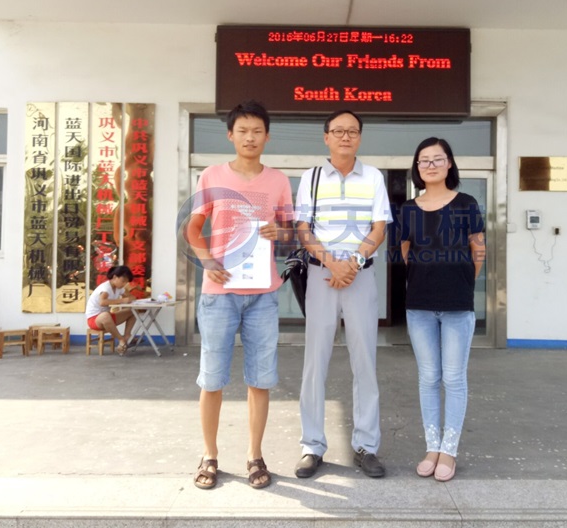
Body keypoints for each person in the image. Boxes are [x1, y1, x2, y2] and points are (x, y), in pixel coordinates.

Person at [186, 100, 293, 490]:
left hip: (263, 293)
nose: (250, 137)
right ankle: (210, 455)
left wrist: (277, 233)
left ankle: (254, 455)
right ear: (230, 135)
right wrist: (207, 260)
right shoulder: (212, 175)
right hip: (220, 292)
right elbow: (194, 229)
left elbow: (289, 231)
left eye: (257, 131)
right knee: (212, 379)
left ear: (267, 135)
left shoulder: (278, 180)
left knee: (260, 379)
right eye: (243, 131)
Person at [294, 110, 392, 479]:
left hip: (360, 276)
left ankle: (366, 445)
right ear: (326, 138)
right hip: (322, 276)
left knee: (364, 360)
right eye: (338, 131)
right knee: (314, 363)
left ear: (360, 138)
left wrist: (350, 262)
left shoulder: (374, 177)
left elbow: (379, 227)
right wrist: (332, 264)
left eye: (352, 131)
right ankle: (312, 445)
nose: (345, 137)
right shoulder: (312, 177)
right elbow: (303, 228)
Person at [399, 137, 485, 482]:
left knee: (453, 378)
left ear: (450, 163)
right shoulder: (408, 209)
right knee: (428, 378)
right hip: (419, 305)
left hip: (456, 305)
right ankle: (432, 446)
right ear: (417, 168)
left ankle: (449, 450)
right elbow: (405, 252)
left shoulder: (466, 204)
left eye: (438, 159)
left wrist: (460, 282)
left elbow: (478, 250)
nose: (431, 165)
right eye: (424, 160)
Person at [85, 265, 137, 355]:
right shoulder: (105, 288)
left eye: (126, 282)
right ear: (114, 277)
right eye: (123, 281)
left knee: (132, 311)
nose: (124, 284)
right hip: (94, 319)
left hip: (108, 317)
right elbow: (102, 302)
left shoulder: (119, 288)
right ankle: (121, 340)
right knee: (105, 315)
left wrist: (130, 299)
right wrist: (122, 300)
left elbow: (131, 297)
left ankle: (127, 335)